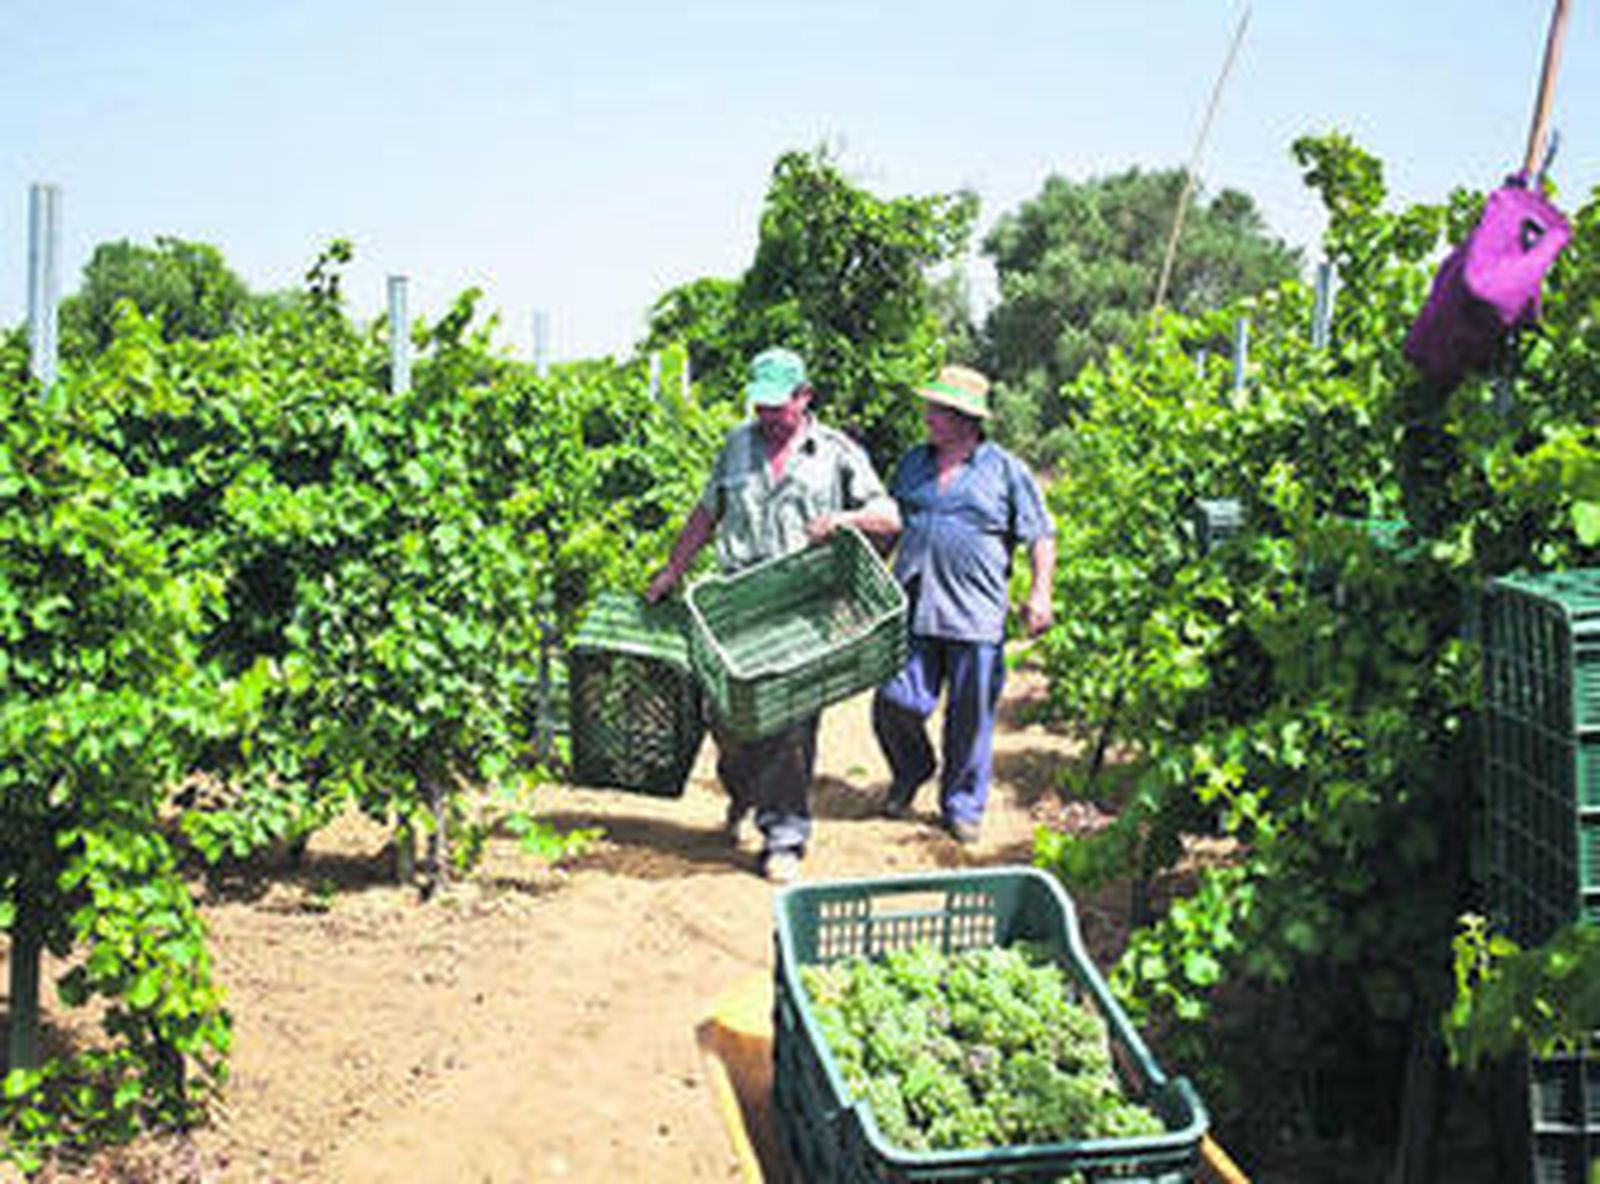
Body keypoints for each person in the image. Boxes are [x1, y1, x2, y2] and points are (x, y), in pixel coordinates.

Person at [646, 346, 900, 883]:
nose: (765, 416)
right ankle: (743, 793)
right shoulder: (736, 446)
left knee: (788, 722)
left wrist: (842, 521)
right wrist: (673, 569)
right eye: (758, 405)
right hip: (739, 604)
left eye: (775, 406)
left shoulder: (835, 453)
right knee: (728, 718)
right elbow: (707, 512)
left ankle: (784, 835)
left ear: (803, 397)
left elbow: (888, 517)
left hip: (806, 609)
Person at [873, 363, 1056, 845]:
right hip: (912, 606)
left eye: (937, 408)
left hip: (975, 615)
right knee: (895, 700)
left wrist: (1041, 592)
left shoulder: (1005, 471)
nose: (928, 416)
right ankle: (912, 769)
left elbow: (1040, 534)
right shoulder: (912, 463)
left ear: (965, 417)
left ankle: (961, 805)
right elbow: (891, 524)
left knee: (970, 718)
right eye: (930, 406)